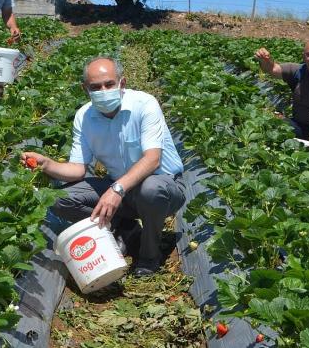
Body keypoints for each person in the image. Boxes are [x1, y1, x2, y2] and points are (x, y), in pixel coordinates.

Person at [22, 57, 186, 277]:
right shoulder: (84, 117)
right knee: (59, 199)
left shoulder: (144, 104)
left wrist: (117, 189)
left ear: (122, 83)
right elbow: (78, 169)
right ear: (85, 89)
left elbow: (152, 159)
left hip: (164, 186)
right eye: (95, 87)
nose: (103, 90)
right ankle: (124, 228)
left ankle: (149, 255)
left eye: (109, 84)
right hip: (122, 190)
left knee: (150, 189)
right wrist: (47, 164)